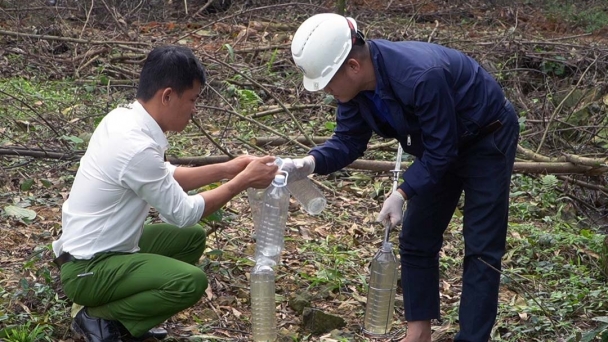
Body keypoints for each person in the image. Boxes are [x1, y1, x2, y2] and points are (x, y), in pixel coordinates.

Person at [285, 13, 519, 342]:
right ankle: (419, 333)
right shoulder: (354, 92)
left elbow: (442, 152)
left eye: (327, 80)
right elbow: (349, 141)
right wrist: (306, 164)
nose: (325, 89)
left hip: (486, 136)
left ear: (353, 66)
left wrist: (403, 192)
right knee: (416, 237)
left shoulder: (420, 75)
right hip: (438, 145)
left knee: (481, 247)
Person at [52, 45, 278, 342]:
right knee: (189, 282)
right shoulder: (135, 146)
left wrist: (229, 168)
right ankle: (96, 316)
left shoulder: (125, 120)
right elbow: (182, 213)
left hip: (104, 249)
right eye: (192, 99)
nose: (194, 109)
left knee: (191, 239)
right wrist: (242, 182)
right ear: (167, 96)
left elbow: (165, 174)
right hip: (87, 268)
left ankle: (125, 317)